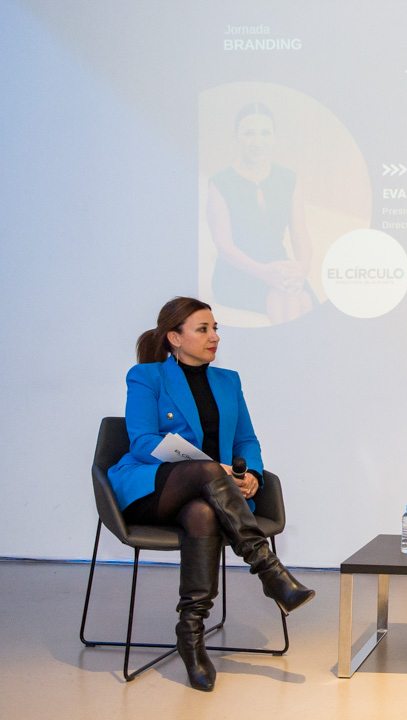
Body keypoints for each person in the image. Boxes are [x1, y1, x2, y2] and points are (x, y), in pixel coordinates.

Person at [107, 296, 315, 692]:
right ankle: (269, 571)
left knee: (202, 514)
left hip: (210, 498)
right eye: (203, 329)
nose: (214, 336)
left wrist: (252, 475)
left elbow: (246, 440)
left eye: (215, 328)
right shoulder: (146, 376)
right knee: (204, 471)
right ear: (174, 338)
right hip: (154, 488)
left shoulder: (228, 381)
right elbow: (142, 442)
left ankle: (190, 636)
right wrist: (211, 468)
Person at [207, 103, 314, 325]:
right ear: (236, 137)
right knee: (282, 298)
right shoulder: (221, 182)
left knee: (303, 298)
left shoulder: (289, 179)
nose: (258, 142)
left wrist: (302, 268)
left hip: (278, 266)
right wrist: (265, 273)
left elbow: (300, 234)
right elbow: (224, 247)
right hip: (237, 272)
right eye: (249, 133)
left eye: (265, 133)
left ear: (274, 137)